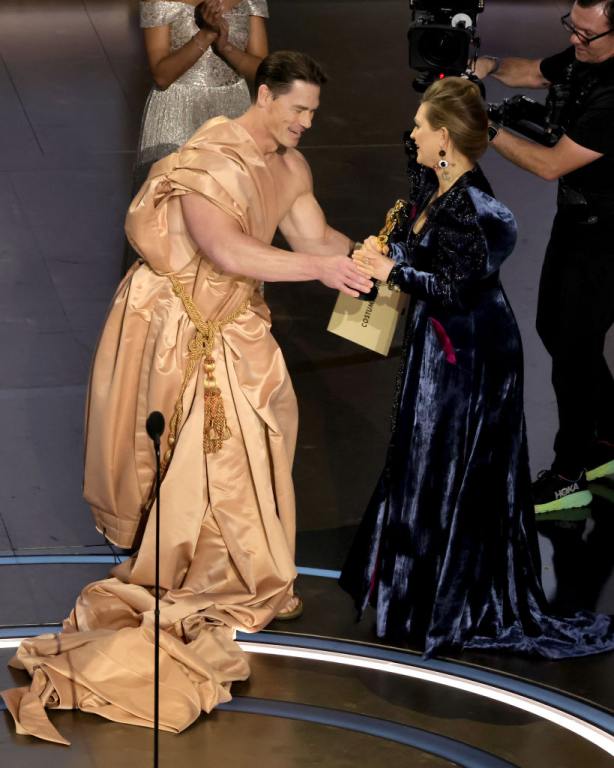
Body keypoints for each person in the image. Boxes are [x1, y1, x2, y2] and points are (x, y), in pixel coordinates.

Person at [1, 51, 372, 745]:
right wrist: (323, 269)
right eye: (297, 108)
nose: (305, 123)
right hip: (177, 325)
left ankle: (236, 569)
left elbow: (314, 237)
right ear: (263, 95)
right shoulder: (208, 159)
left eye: (313, 113)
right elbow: (227, 251)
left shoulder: (291, 168)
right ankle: (192, 565)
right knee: (198, 454)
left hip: (236, 325)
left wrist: (366, 259)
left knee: (255, 444)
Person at [339, 76, 614, 660]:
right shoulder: (433, 179)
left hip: (471, 354)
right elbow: (421, 242)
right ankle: (415, 598)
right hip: (439, 343)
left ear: (443, 137)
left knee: (452, 470)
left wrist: (393, 273)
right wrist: (385, 254)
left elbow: (453, 287)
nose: (409, 133)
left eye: (420, 125)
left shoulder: (477, 209)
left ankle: (449, 603)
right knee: (424, 463)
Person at [473, 0, 614, 514]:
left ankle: (568, 472)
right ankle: (607, 438)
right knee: (557, 330)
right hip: (578, 222)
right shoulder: (588, 54)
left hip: (607, 238)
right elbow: (532, 72)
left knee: (574, 347)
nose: (576, 40)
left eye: (588, 34)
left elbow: (551, 163)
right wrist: (484, 66)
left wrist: (482, 128)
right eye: (572, 28)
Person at [137, 0, 269, 185]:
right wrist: (207, 34)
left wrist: (226, 48)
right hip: (177, 112)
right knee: (174, 196)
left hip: (232, 112)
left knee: (230, 196)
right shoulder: (160, 1)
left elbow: (263, 73)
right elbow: (162, 76)